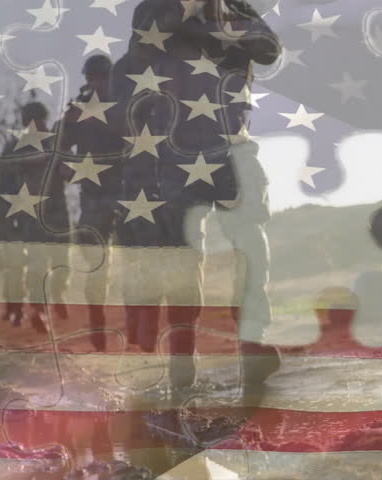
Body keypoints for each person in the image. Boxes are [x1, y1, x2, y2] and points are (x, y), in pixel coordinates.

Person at [108, 0, 281, 406]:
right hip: (175, 157)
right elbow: (140, 46)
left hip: (232, 150)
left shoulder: (233, 6)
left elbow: (269, 48)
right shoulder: (157, 8)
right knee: (184, 259)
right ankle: (182, 361)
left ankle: (253, 346)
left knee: (250, 248)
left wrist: (217, 20)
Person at [55, 54, 126, 352]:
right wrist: (64, 166)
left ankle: (137, 318)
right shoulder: (78, 109)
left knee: (136, 255)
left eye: (101, 77)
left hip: (126, 191)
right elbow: (59, 144)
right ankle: (97, 317)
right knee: (94, 258)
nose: (96, 83)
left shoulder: (123, 105)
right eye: (92, 77)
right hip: (94, 194)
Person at [0, 102, 70, 333]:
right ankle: (39, 309)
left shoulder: (55, 143)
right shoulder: (14, 148)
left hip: (57, 214)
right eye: (33, 119)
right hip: (31, 215)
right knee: (38, 263)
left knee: (62, 262)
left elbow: (70, 171)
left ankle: (57, 294)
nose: (37, 124)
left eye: (40, 119)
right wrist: (2, 216)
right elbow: (0, 184)